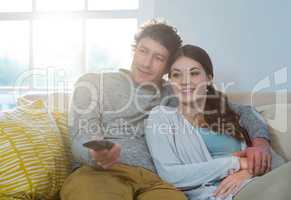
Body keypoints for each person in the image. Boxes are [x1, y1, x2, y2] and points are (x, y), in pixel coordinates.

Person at [60, 20, 273, 200]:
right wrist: (97, 150)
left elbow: (243, 112)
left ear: (167, 68)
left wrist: (261, 143)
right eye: (143, 51)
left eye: (159, 58)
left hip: (156, 182)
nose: (146, 63)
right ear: (134, 50)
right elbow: (81, 135)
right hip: (100, 173)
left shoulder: (175, 92)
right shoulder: (94, 82)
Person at [145, 44, 285, 200]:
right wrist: (237, 163)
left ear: (209, 78)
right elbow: (170, 175)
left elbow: (271, 158)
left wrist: (248, 171)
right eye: (177, 75)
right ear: (170, 81)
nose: (185, 81)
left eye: (194, 73)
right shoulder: (161, 116)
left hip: (257, 180)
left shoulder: (228, 112)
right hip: (220, 194)